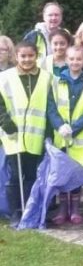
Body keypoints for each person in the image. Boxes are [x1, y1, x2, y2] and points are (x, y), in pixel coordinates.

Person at [0, 42, 55, 227]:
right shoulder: (5, 77)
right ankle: (16, 212)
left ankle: (32, 209)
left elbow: (50, 106)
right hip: (13, 136)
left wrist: (49, 132)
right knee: (15, 176)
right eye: (22, 56)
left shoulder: (47, 78)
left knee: (33, 175)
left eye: (30, 56)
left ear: (36, 55)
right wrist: (5, 121)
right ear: (16, 57)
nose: (27, 59)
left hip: (36, 136)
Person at [50, 46, 83, 225]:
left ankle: (75, 209)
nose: (74, 62)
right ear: (66, 59)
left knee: (77, 174)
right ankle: (63, 209)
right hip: (61, 135)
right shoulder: (57, 81)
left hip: (81, 137)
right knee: (63, 173)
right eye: (71, 59)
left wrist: (74, 128)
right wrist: (59, 125)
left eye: (78, 59)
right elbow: (51, 107)